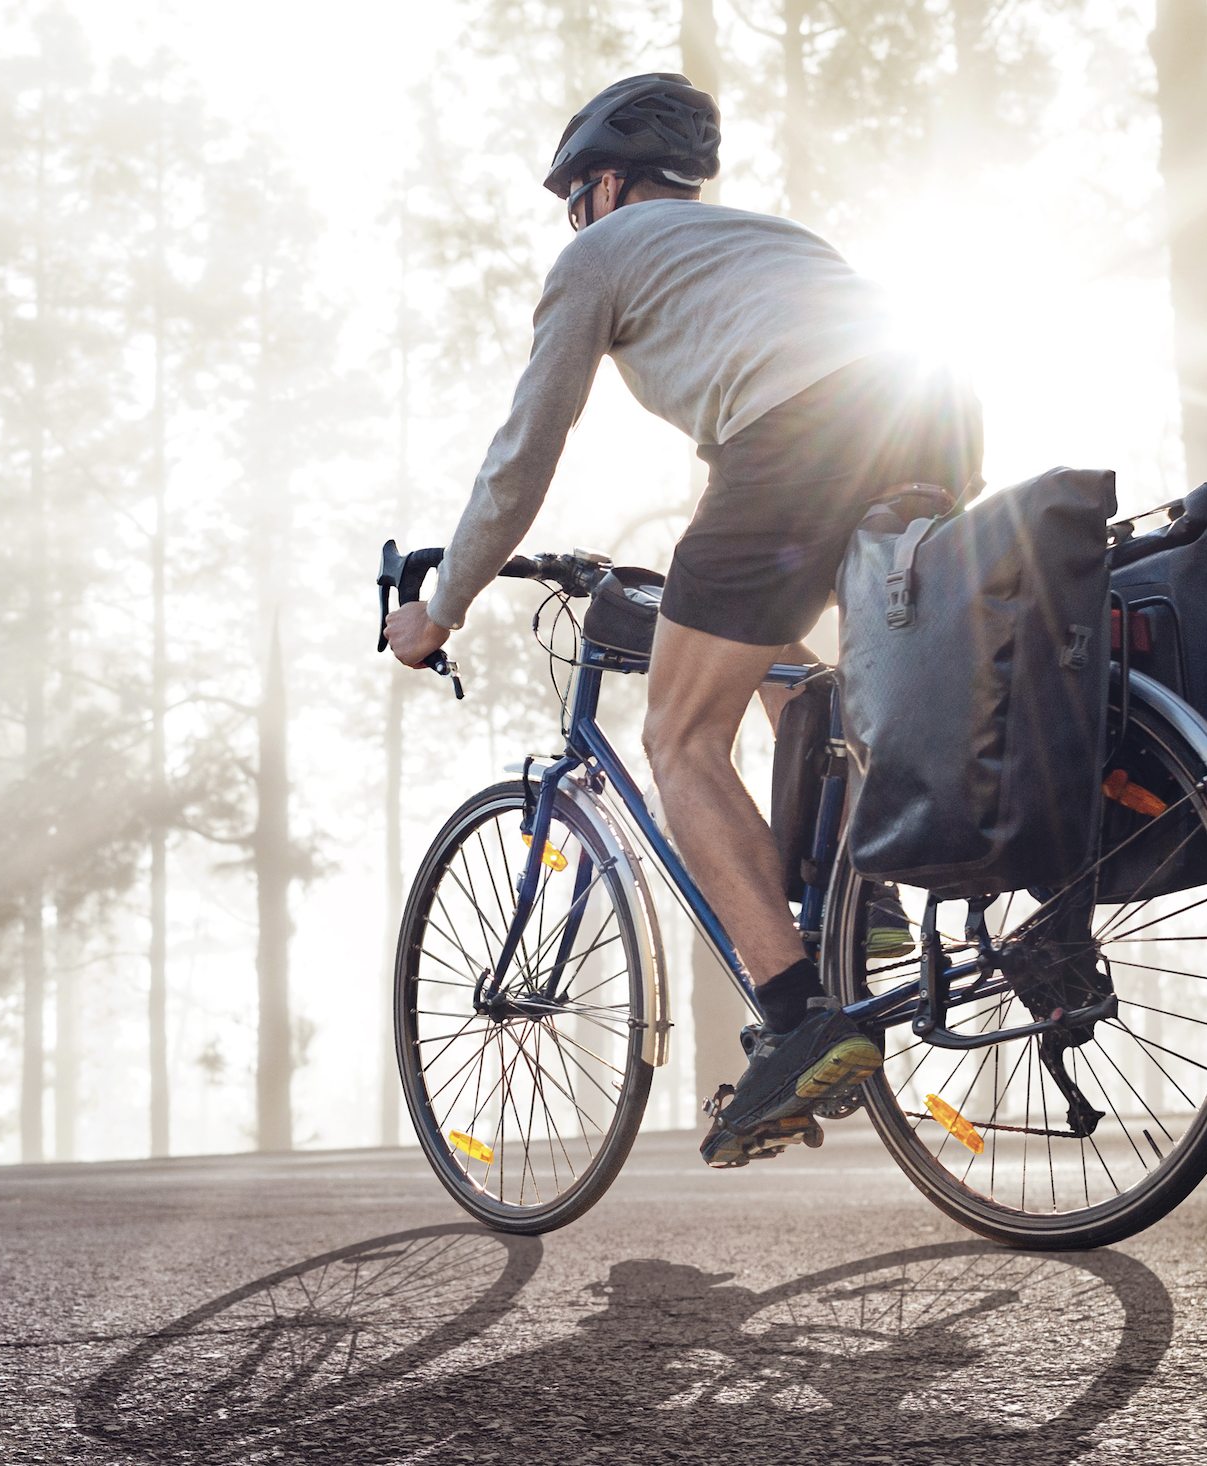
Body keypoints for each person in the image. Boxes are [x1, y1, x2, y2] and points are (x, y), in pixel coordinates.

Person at [382, 74, 982, 1167]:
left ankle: (799, 1015)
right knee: (790, 668)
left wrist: (441, 602)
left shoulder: (598, 257)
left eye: (577, 197)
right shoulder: (764, 239)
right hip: (934, 416)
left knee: (677, 735)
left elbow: (523, 458)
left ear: (608, 183)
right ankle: (869, 898)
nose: (575, 218)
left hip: (798, 436)